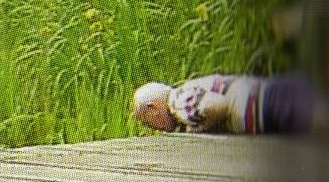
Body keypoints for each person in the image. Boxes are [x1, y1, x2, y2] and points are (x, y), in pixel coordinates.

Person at [131, 71, 321, 134]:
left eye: (149, 122)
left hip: (267, 107)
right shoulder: (188, 88)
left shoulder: (180, 106)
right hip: (268, 92)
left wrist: (197, 130)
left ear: (154, 108)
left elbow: (218, 105)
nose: (157, 129)